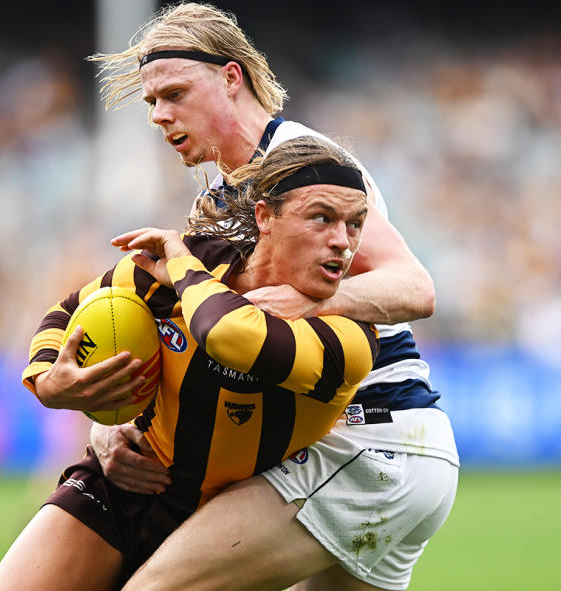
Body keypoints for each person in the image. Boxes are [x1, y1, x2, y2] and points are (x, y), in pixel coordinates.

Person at [81, 4, 460, 590]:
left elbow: (415, 286)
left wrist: (315, 304)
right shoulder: (227, 190)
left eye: (175, 94)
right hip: (383, 448)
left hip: (367, 439)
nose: (159, 115)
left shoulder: (305, 164)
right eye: (152, 102)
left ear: (231, 78)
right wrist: (114, 420)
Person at [0, 136, 380, 591]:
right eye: (322, 218)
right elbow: (71, 307)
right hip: (123, 486)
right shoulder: (200, 262)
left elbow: (228, 333)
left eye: (355, 224)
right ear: (265, 217)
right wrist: (48, 377)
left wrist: (181, 264)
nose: (341, 242)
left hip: (229, 523)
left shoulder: (350, 336)